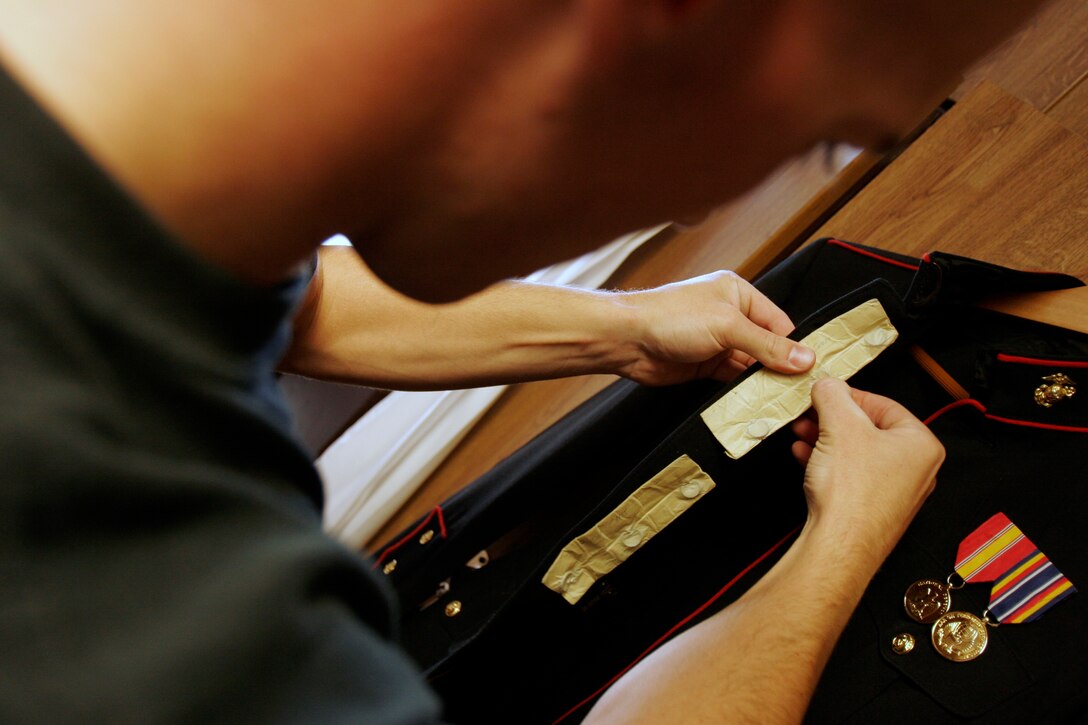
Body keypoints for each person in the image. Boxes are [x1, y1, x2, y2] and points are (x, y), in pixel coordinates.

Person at [0, 1, 1044, 722]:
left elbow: (288, 298)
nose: (694, 206)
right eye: (816, 133)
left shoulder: (126, 182)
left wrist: (619, 326)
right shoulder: (151, 628)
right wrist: (837, 550)